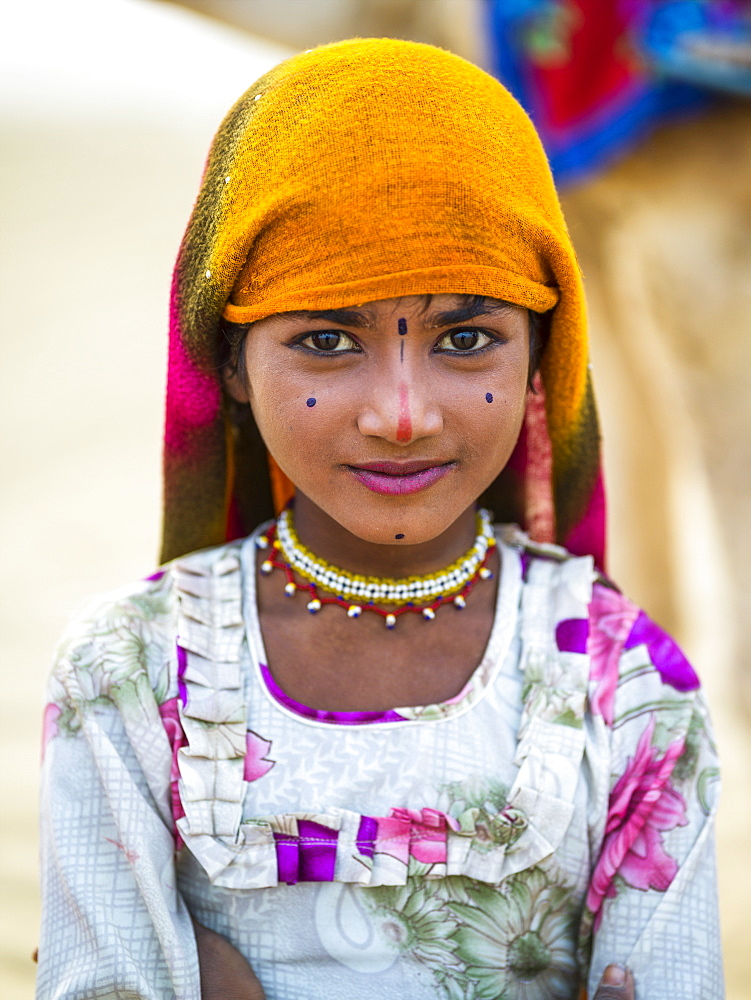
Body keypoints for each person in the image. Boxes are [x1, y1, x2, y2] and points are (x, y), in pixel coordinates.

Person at [36, 39, 722, 1000]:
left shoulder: (627, 686)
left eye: (468, 338)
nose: (401, 413)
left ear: (541, 358)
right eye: (325, 340)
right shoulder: (130, 675)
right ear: (228, 362)